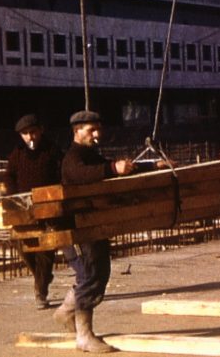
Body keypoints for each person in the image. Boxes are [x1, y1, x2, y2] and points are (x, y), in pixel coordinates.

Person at [53, 110, 135, 353]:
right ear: (76, 132)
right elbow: (82, 175)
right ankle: (84, 336)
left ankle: (66, 312)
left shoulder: (90, 155)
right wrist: (112, 168)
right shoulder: (73, 158)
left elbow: (108, 169)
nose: (97, 134)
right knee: (91, 275)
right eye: (91, 130)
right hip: (79, 228)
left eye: (99, 128)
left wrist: (143, 166)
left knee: (97, 271)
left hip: (93, 224)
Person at [5, 114, 62, 310]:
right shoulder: (17, 154)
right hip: (24, 209)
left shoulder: (52, 150)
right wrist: (15, 199)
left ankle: (41, 291)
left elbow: (60, 175)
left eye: (33, 132)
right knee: (22, 245)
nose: (30, 137)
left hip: (48, 207)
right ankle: (41, 276)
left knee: (46, 250)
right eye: (25, 134)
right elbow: (9, 178)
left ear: (40, 131)